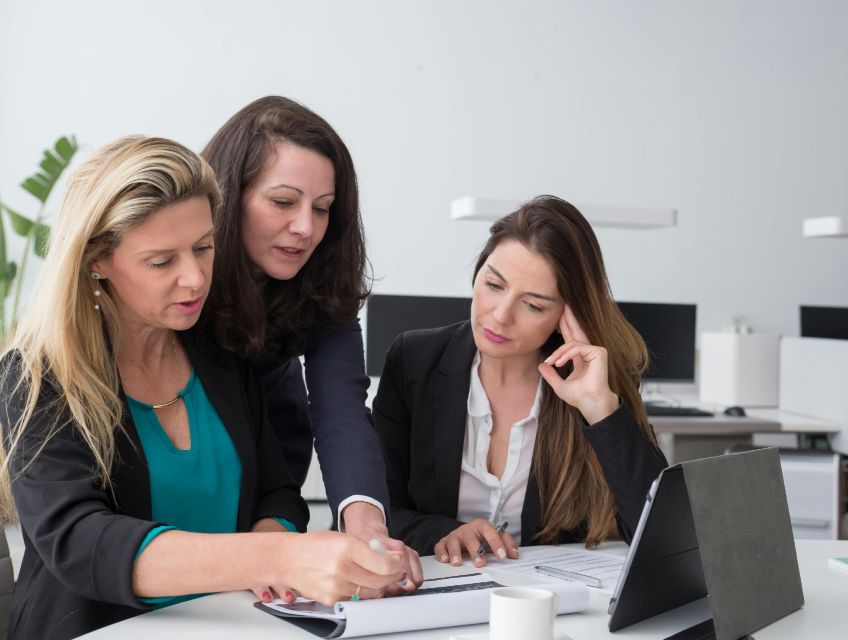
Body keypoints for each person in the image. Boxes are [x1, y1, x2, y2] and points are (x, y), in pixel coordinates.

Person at [0, 137, 405, 640]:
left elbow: (278, 493)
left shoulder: (221, 356)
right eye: (161, 261)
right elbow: (79, 541)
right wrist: (278, 556)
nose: (194, 278)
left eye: (203, 248)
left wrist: (274, 553)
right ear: (96, 261)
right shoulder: (38, 374)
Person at [373, 195, 668, 564]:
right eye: (494, 285)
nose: (500, 316)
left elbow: (662, 535)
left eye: (533, 305)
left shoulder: (594, 378)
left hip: (548, 601)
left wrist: (600, 409)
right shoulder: (415, 361)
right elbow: (375, 509)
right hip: (439, 585)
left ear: (568, 313)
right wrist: (442, 533)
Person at [200, 97, 410, 558]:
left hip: (273, 507)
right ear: (229, 195)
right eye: (283, 202)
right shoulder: (183, 289)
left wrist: (366, 525)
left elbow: (341, 409)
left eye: (323, 208)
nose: (306, 228)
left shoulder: (321, 283)